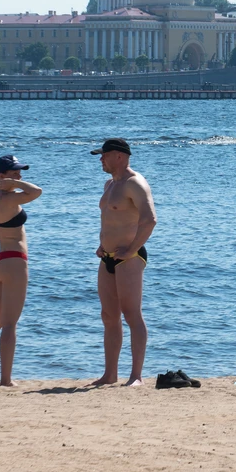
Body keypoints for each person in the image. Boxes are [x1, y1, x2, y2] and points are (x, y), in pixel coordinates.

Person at [0, 155, 42, 388]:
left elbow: (30, 191)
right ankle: (5, 380)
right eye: (14, 173)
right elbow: (37, 191)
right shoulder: (8, 198)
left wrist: (9, 183)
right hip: (13, 262)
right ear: (1, 176)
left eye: (20, 172)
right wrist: (16, 184)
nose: (20, 176)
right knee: (10, 324)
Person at [91, 138, 157, 386]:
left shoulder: (135, 183)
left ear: (119, 156)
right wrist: (102, 245)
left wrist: (132, 249)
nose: (101, 159)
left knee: (132, 314)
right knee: (109, 315)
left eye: (104, 155)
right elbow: (110, 220)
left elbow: (150, 219)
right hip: (107, 257)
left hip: (129, 258)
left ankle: (136, 376)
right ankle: (110, 375)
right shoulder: (110, 184)